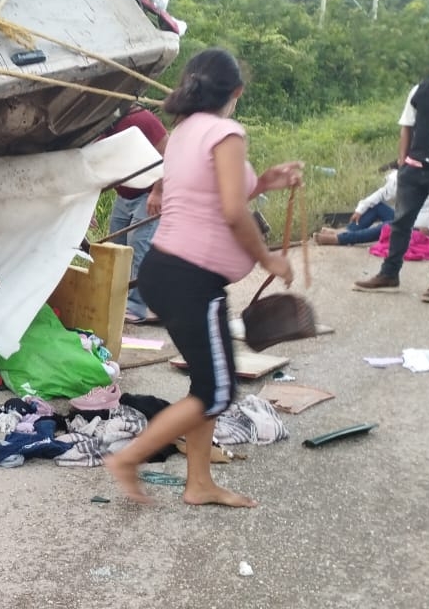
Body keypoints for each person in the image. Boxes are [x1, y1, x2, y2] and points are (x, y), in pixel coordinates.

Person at [103, 48, 302, 508]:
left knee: (206, 386)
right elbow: (233, 211)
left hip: (166, 273)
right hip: (192, 281)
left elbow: (208, 191)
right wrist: (269, 259)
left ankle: (199, 483)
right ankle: (129, 457)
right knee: (218, 389)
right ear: (235, 93)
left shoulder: (183, 132)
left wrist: (264, 181)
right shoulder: (227, 132)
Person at [353, 39, 429, 303]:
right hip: (414, 168)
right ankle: (389, 274)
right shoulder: (422, 89)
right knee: (400, 223)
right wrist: (403, 161)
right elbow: (406, 125)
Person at [100, 103, 169, 324]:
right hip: (126, 193)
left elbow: (168, 153)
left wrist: (158, 191)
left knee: (139, 243)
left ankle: (136, 306)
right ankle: (113, 302)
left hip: (150, 190)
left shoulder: (141, 119)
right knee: (115, 246)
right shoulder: (100, 129)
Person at [314, 162, 429, 245]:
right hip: (405, 219)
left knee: (388, 226)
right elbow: (382, 193)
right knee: (377, 207)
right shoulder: (406, 176)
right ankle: (347, 231)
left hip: (423, 229)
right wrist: (360, 209)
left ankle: (339, 239)